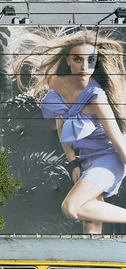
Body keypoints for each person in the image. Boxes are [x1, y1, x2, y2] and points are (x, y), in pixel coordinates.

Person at [11, 29, 126, 234]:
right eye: (78, 59)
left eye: (90, 60)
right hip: (86, 158)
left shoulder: (97, 97)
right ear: (67, 60)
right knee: (90, 227)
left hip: (110, 159)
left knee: (71, 208)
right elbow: (61, 125)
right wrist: (73, 161)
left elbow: (118, 141)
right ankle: (93, 266)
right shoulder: (56, 83)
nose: (84, 66)